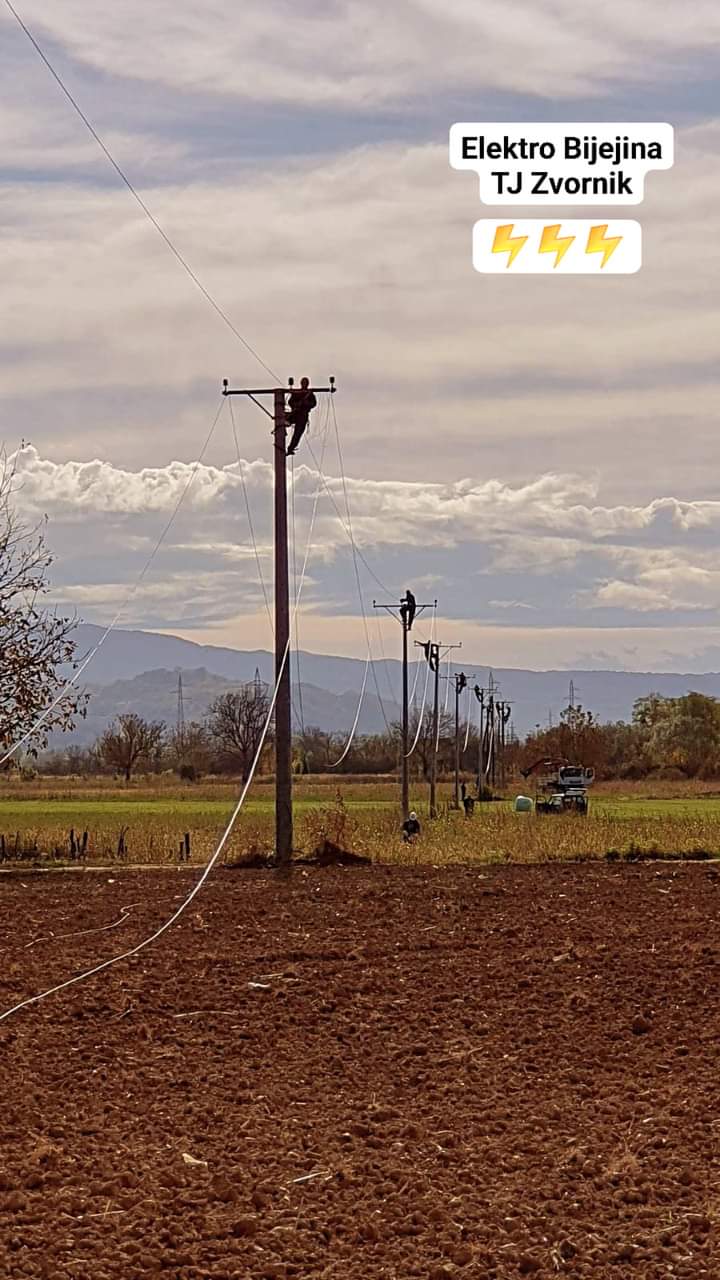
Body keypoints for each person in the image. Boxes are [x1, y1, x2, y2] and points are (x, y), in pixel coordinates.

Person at [285, 377, 317, 456]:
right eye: (303, 382)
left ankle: (291, 448)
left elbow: (313, 404)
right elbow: (290, 402)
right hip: (295, 413)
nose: (304, 384)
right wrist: (296, 405)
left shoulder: (309, 393)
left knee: (298, 433)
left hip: (303, 415)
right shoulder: (297, 392)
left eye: (306, 382)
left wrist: (306, 403)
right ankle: (283, 430)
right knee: (281, 421)